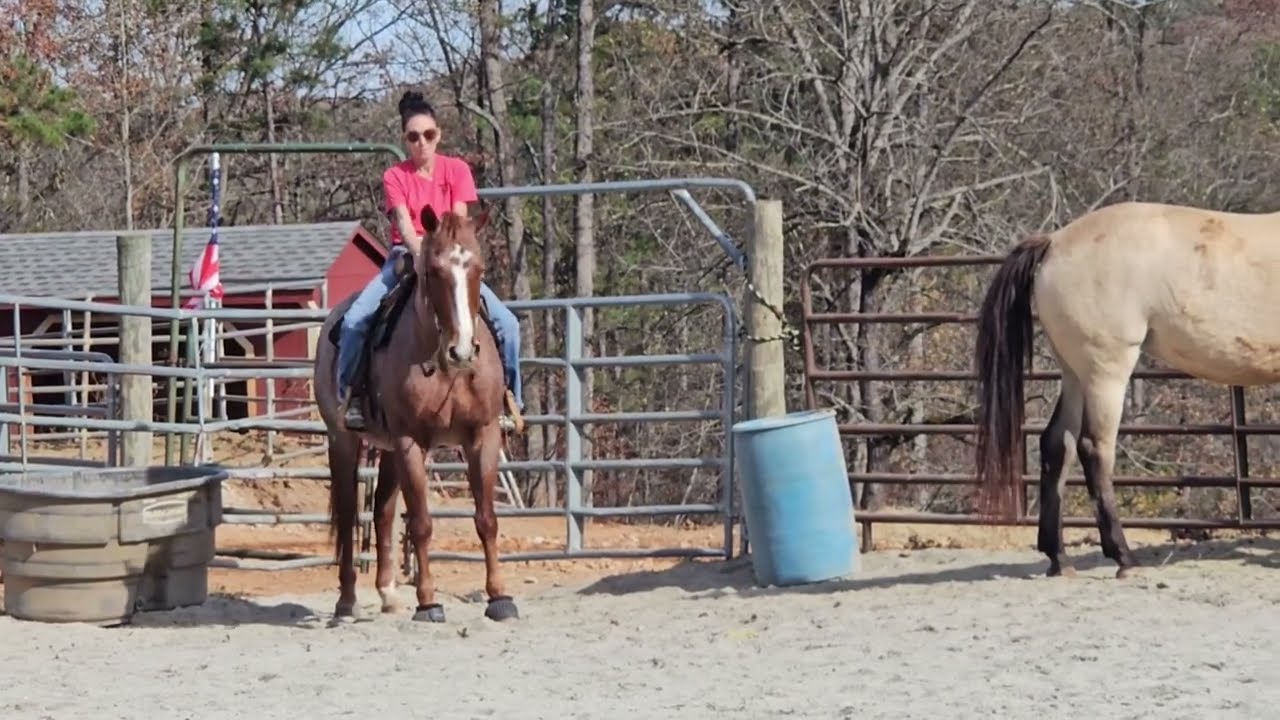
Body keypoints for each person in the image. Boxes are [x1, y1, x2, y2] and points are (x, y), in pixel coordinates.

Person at [336, 89, 524, 431]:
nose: (421, 142)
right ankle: (352, 396)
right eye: (413, 137)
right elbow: (405, 224)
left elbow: (458, 224)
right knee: (354, 321)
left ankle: (509, 397)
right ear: (405, 140)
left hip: (451, 261)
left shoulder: (457, 170)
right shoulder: (395, 177)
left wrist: (442, 256)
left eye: (428, 134)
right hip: (407, 257)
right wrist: (424, 255)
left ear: (439, 135)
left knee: (507, 325)